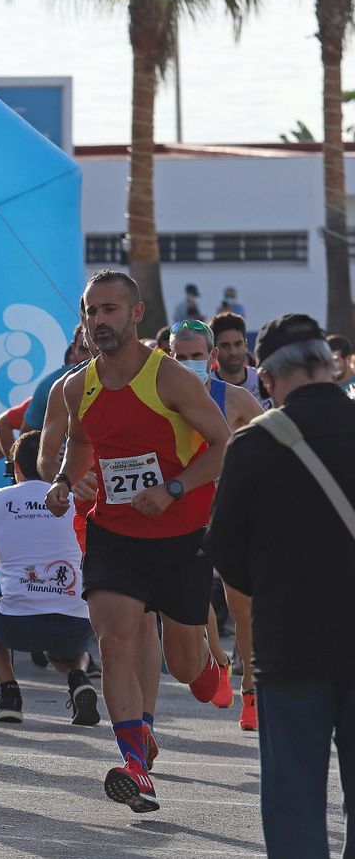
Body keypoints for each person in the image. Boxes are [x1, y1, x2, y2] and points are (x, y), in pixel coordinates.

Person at [45, 269, 232, 814]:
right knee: (114, 639)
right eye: (91, 311)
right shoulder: (77, 386)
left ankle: (208, 666)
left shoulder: (170, 378)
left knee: (185, 667)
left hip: (180, 537)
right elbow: (79, 444)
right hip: (114, 533)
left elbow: (223, 445)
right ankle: (134, 763)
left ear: (136, 313)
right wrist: (65, 482)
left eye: (109, 309)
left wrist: (174, 488)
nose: (98, 320)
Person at [206, 313, 355, 858]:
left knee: (294, 804)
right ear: (329, 365)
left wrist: (275, 587)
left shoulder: (253, 444)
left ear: (265, 379)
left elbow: (226, 553)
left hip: (290, 645)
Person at [168, 318, 266, 724]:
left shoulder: (236, 398)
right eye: (180, 356)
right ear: (168, 356)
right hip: (179, 509)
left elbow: (272, 443)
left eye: (196, 355)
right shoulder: (159, 398)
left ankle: (251, 690)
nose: (188, 363)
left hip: (229, 512)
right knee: (193, 595)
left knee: (241, 606)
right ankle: (219, 660)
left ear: (211, 357)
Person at [0, 430, 100, 726]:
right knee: (69, 644)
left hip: (18, 623)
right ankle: (79, 677)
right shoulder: (77, 499)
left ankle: (9, 694)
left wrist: (18, 547)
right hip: (76, 623)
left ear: (15, 467)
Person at [23, 325, 91, 432]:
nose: (90, 357)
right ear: (73, 348)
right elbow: (26, 434)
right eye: (84, 349)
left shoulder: (119, 383)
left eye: (96, 349)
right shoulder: (50, 385)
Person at [211, 312, 270, 407]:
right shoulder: (206, 389)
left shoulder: (264, 381)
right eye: (225, 346)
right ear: (214, 351)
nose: (233, 352)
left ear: (245, 345)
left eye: (238, 344)